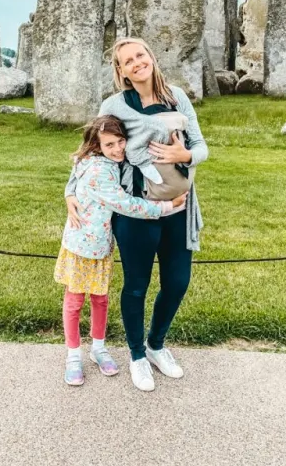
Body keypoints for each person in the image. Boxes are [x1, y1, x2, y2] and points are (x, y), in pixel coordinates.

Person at [65, 37, 208, 392]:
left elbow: (201, 145)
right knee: (136, 286)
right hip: (134, 210)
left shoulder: (177, 96)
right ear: (121, 71)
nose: (136, 63)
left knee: (177, 282)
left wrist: (184, 156)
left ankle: (156, 345)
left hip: (178, 206)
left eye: (140, 55)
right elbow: (93, 150)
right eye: (127, 61)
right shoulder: (114, 104)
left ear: (151, 58)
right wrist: (70, 190)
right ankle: (136, 356)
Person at [56, 115, 187, 386]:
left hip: (101, 246)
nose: (117, 149)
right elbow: (126, 204)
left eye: (120, 142)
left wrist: (69, 194)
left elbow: (75, 174)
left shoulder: (105, 161)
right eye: (109, 145)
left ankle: (99, 348)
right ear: (97, 146)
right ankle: (73, 355)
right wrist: (167, 207)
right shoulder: (98, 171)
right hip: (80, 247)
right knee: (75, 301)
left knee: (101, 299)